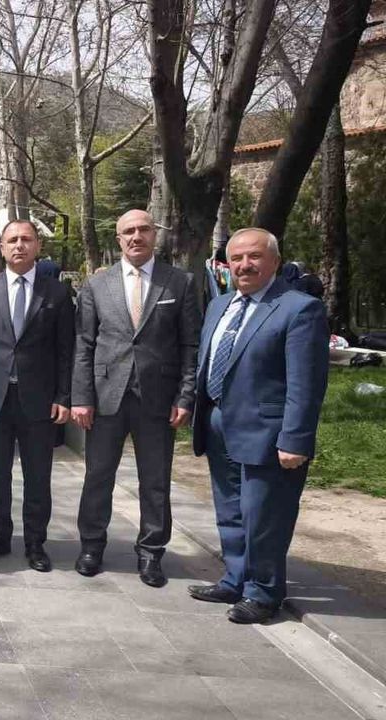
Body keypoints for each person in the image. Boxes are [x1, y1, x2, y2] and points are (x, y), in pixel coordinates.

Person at [189, 228, 329, 624]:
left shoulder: (299, 309)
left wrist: (295, 438)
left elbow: (306, 383)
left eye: (254, 257)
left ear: (275, 262)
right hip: (218, 422)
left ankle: (264, 593)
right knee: (230, 510)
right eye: (236, 258)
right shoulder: (219, 306)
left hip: (268, 433)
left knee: (265, 516)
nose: (244, 265)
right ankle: (235, 578)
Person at [71, 209, 202, 587]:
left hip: (158, 399)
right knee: (98, 476)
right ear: (118, 239)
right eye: (128, 231)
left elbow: (190, 345)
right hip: (106, 397)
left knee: (155, 480)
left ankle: (151, 553)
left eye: (143, 229)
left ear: (154, 235)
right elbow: (84, 344)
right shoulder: (97, 285)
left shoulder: (179, 282)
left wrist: (185, 396)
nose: (136, 236)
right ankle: (91, 545)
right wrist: (82, 396)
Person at [0, 220, 74, 572]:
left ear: (37, 245)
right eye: (13, 240)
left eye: (26, 239)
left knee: (38, 476)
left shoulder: (57, 293)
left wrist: (64, 396)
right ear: (2, 247)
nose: (19, 245)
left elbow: (66, 350)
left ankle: (36, 542)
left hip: (39, 400)